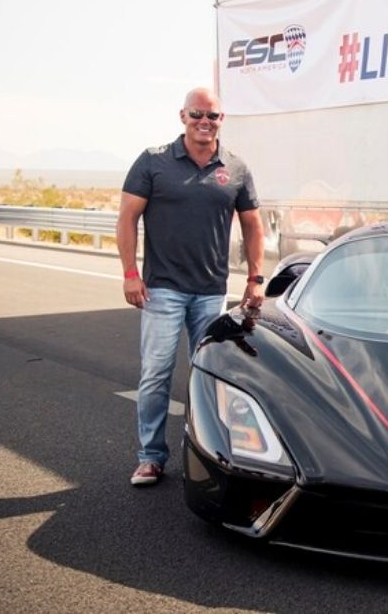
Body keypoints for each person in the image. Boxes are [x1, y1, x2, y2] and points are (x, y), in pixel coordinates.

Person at [117, 87, 265, 487]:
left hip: (211, 292)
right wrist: (131, 273)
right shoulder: (154, 162)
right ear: (182, 115)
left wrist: (255, 278)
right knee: (156, 374)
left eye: (213, 116)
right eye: (197, 114)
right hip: (162, 288)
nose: (205, 121)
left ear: (222, 120)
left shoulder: (235, 168)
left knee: (212, 376)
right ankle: (150, 456)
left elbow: (253, 225)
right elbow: (127, 217)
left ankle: (212, 457)